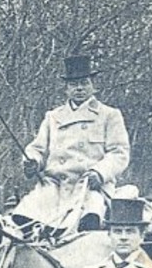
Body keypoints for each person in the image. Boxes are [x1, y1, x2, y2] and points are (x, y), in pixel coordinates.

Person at [13, 53, 131, 236]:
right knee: (24, 219)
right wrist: (32, 162)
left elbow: (119, 152)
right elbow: (37, 149)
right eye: (74, 84)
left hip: (90, 186)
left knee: (89, 221)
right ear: (66, 89)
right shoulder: (53, 117)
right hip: (55, 185)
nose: (79, 89)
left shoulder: (109, 115)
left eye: (84, 83)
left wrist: (100, 173)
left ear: (93, 86)